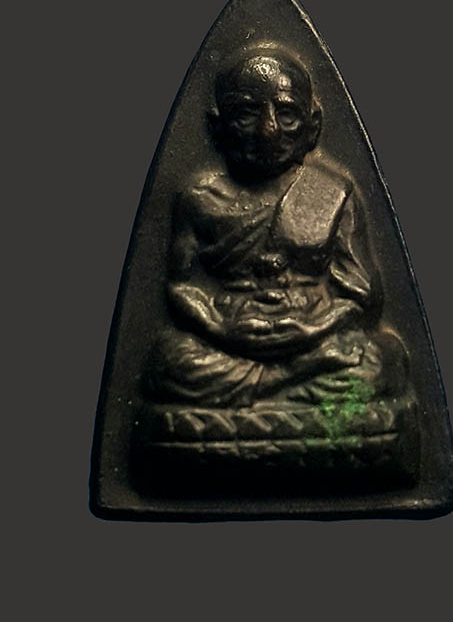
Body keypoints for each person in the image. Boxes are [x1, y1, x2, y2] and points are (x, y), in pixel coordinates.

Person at [145, 47, 407, 407]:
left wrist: (313, 327)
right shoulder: (200, 197)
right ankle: (286, 384)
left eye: (286, 114)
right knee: (169, 360)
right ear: (217, 127)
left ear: (312, 126)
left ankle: (260, 391)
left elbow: (361, 296)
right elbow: (181, 286)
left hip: (314, 336)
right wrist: (221, 328)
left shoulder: (331, 193)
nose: (267, 130)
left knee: (378, 358)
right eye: (246, 114)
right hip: (229, 338)